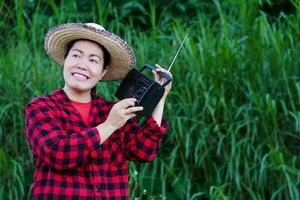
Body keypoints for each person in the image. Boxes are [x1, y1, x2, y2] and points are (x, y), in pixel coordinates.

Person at [24, 23, 172, 199]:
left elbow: (143, 151)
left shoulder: (112, 111)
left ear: (103, 72)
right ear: (65, 60)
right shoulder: (41, 107)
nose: (82, 65)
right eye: (76, 55)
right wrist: (109, 125)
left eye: (93, 60)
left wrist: (159, 97)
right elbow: (57, 153)